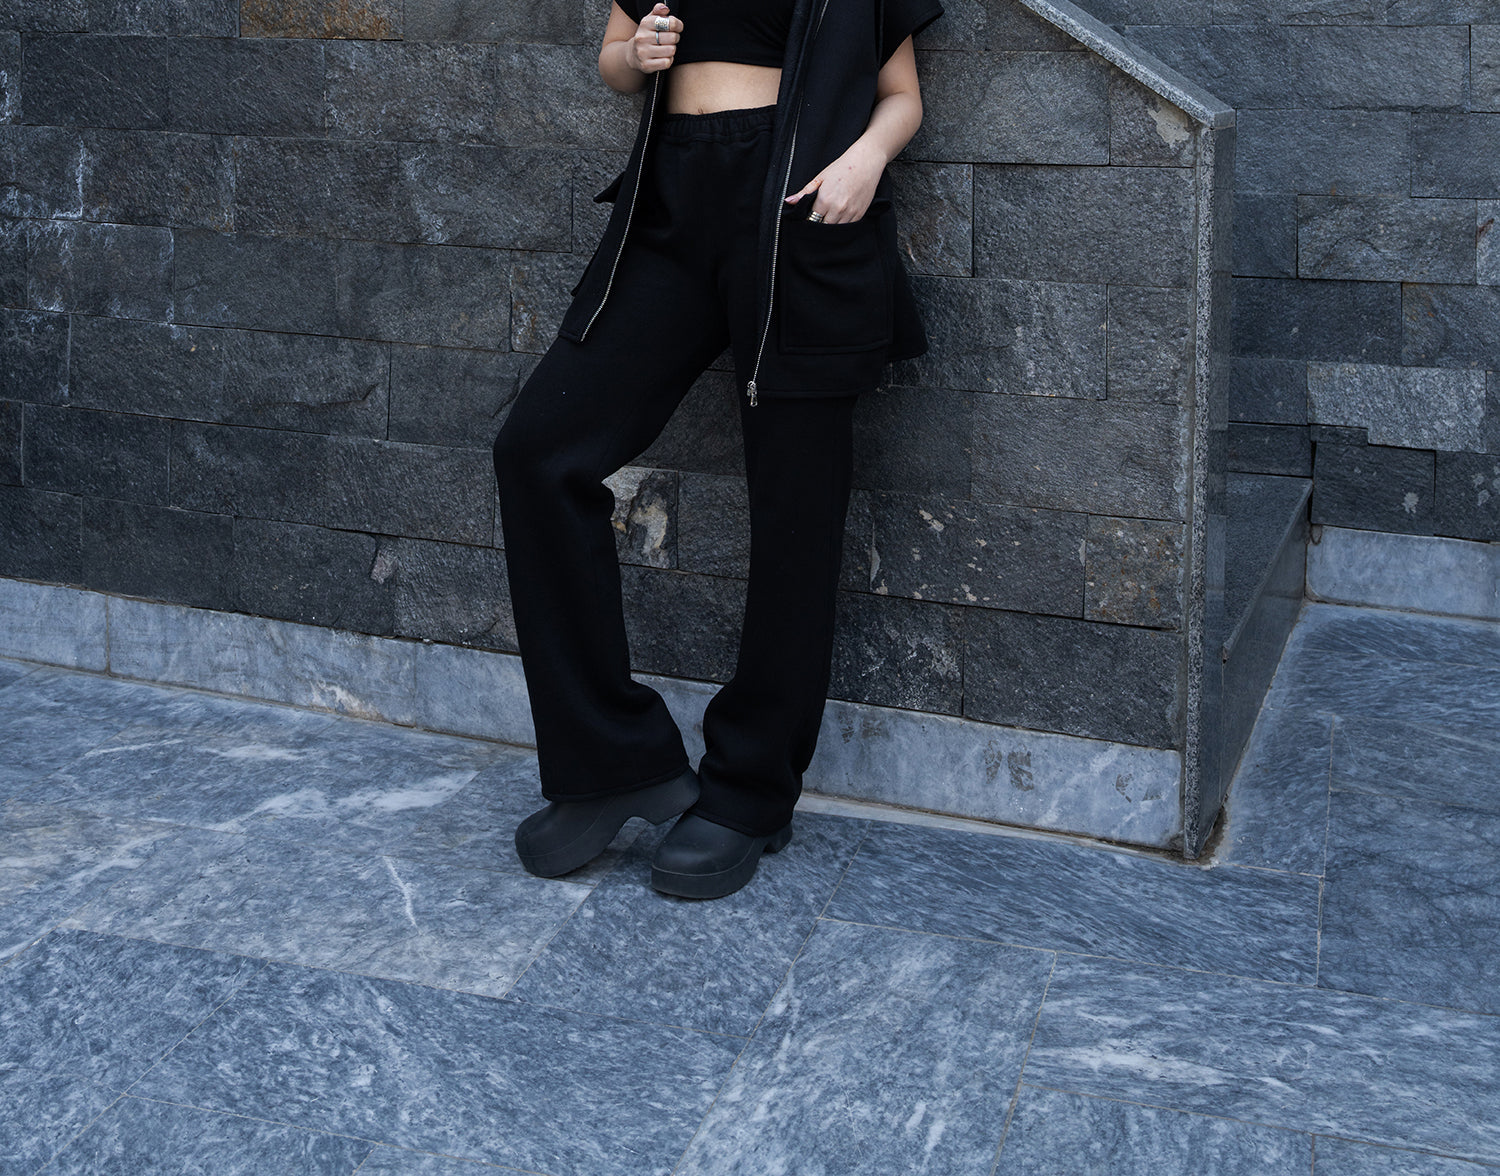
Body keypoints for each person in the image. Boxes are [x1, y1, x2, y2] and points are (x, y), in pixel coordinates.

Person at [492, 0, 943, 899]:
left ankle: (750, 791)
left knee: (794, 514)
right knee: (538, 452)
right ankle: (612, 763)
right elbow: (616, 60)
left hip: (803, 209)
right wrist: (637, 53)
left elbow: (901, 95)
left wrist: (865, 159)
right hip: (671, 205)